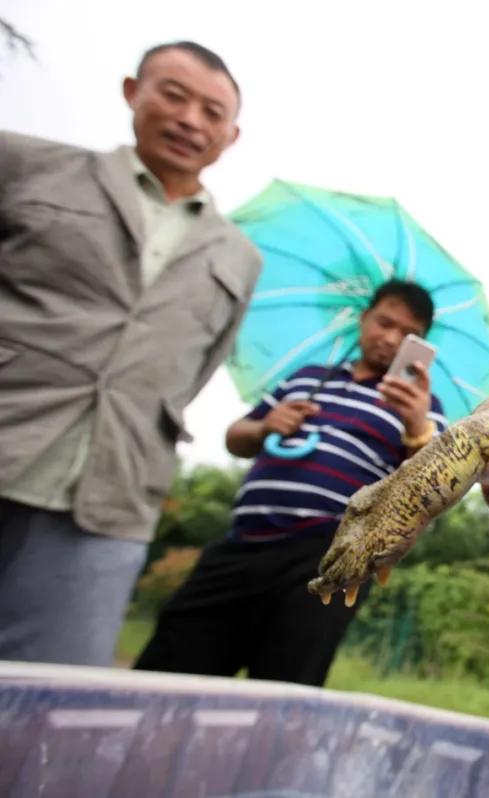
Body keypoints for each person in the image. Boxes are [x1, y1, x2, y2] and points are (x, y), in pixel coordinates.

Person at [0, 42, 261, 667]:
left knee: (52, 693)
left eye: (212, 112)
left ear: (231, 135)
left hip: (112, 493)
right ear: (132, 92)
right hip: (13, 430)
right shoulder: (26, 166)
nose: (190, 120)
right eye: (174, 95)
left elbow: (195, 371)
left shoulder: (239, 257)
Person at [134, 279, 447, 686]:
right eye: (384, 323)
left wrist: (418, 427)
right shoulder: (307, 377)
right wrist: (266, 425)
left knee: (285, 687)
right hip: (241, 545)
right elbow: (236, 438)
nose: (389, 338)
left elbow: (435, 489)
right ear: (363, 318)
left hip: (328, 560)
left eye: (408, 335)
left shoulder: (425, 407)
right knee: (168, 674)